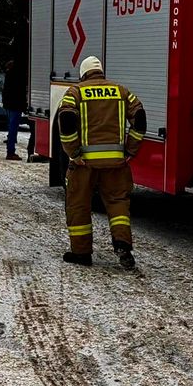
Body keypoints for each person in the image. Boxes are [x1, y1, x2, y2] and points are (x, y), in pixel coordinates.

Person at [56, 55, 146, 270]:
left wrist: (74, 152)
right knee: (118, 203)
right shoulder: (122, 91)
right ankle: (122, 244)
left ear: (83, 73)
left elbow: (66, 122)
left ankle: (82, 253)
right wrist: (130, 149)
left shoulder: (75, 92)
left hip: (83, 164)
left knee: (78, 205)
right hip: (116, 163)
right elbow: (140, 118)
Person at [1, 59, 27, 161]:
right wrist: (24, 105)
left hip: (9, 105)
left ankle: (10, 150)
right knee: (13, 128)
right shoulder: (17, 77)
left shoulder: (8, 76)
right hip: (15, 105)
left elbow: (5, 91)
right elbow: (20, 92)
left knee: (11, 127)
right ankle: (10, 152)